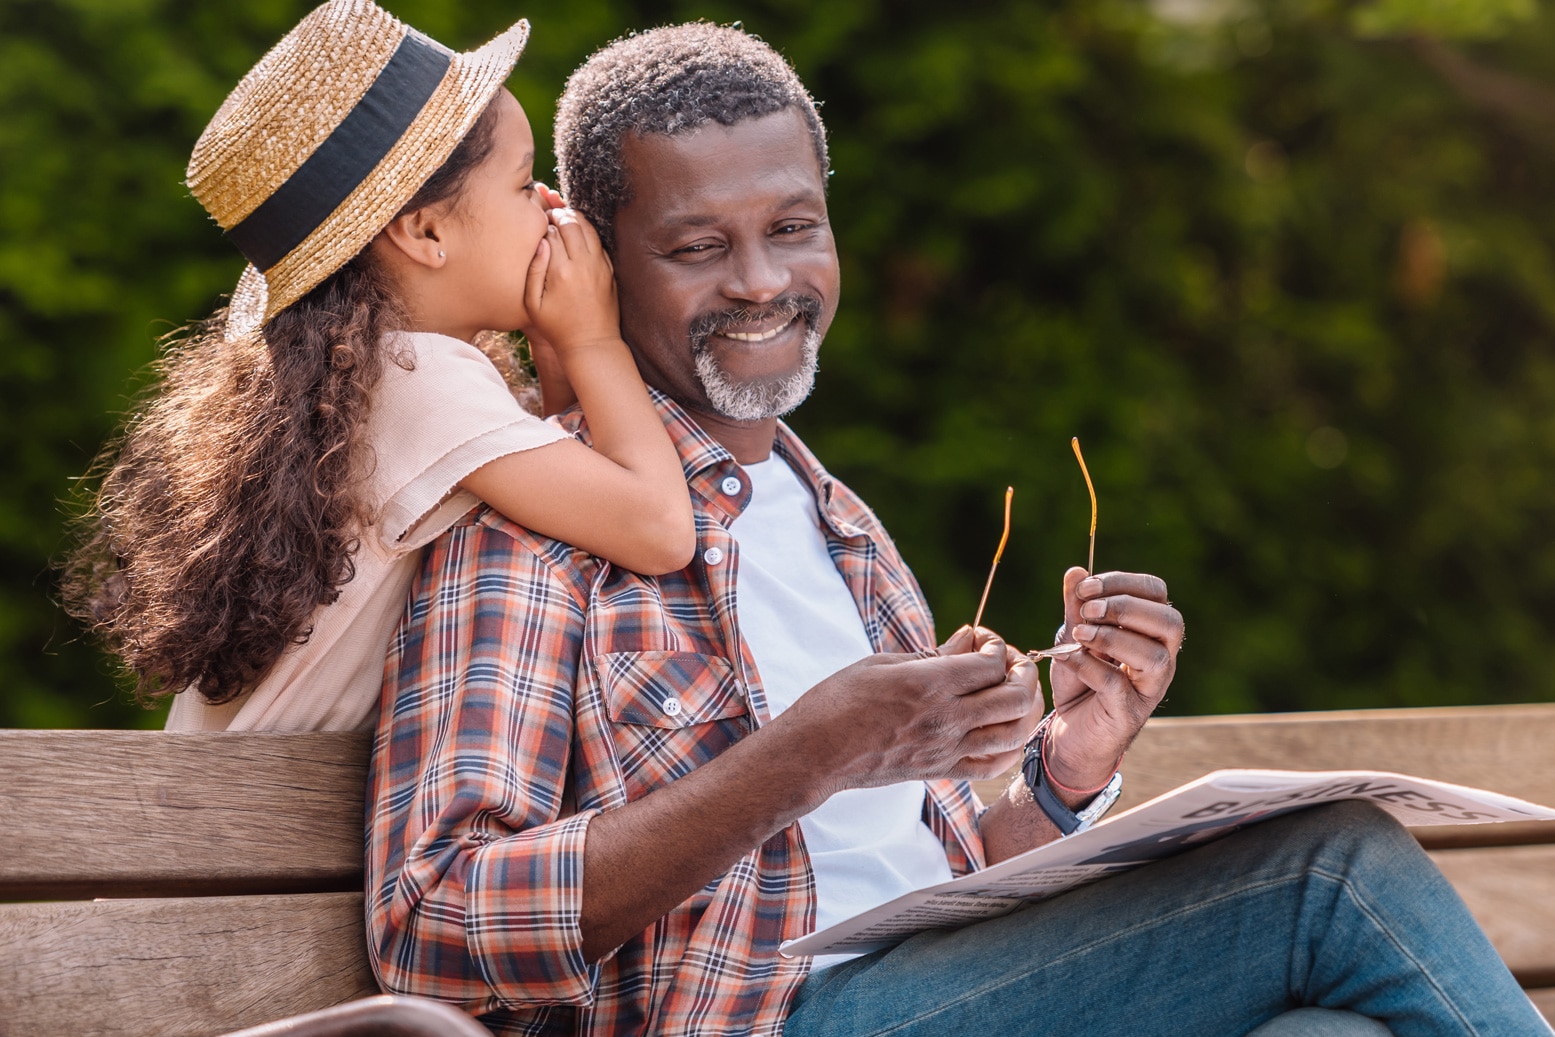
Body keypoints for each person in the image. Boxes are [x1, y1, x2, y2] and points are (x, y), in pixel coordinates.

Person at [364, 23, 1552, 1037]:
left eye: (793, 227)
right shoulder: (537, 526)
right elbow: (434, 926)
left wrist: (1067, 768)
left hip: (914, 1000)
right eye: (694, 247)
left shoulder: (841, 529)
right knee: (1331, 865)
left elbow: (918, 889)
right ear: (593, 261)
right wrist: (803, 754)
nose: (762, 282)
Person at [61, 0, 694, 732]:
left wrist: (556, 358)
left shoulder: (369, 380)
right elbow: (656, 528)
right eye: (524, 185)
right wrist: (592, 342)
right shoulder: (422, 383)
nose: (552, 205)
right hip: (263, 834)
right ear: (424, 231)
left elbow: (575, 518)